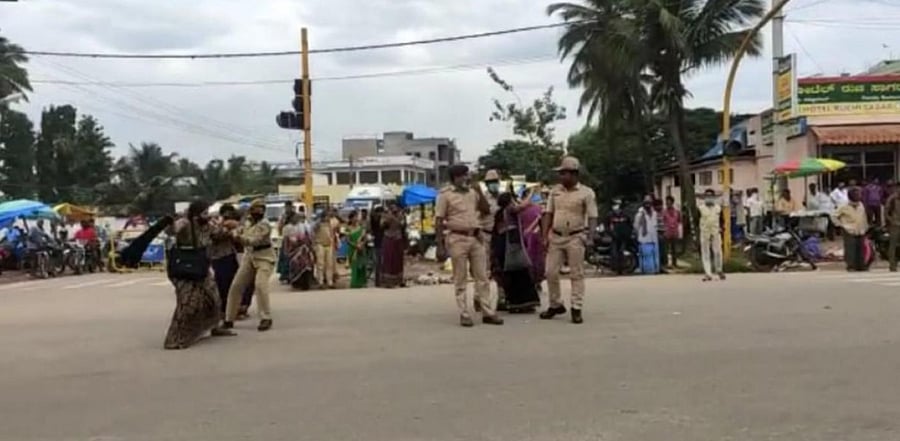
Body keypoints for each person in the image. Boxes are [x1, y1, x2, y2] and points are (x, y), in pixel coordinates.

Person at [436, 164, 503, 327]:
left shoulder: (473, 193)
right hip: (457, 238)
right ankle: (464, 312)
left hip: (475, 237)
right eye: (464, 175)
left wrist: (479, 190)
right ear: (455, 177)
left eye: (468, 175)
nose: (467, 178)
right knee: (461, 278)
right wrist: (440, 245)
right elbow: (439, 220)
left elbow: (486, 210)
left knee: (482, 277)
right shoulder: (445, 195)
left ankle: (487, 311)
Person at [164, 200, 235, 350]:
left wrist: (231, 229)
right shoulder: (185, 223)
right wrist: (171, 223)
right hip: (184, 269)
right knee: (186, 303)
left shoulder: (208, 226)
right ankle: (174, 338)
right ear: (195, 214)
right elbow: (172, 230)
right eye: (204, 213)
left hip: (201, 268)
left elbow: (220, 234)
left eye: (207, 212)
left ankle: (215, 326)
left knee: (214, 298)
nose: (207, 215)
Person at [541, 156, 598, 324]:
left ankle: (576, 307)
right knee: (550, 272)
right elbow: (548, 214)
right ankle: (555, 304)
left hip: (576, 236)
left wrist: (591, 237)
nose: (561, 177)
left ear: (574, 174)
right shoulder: (555, 191)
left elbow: (593, 216)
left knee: (576, 274)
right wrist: (544, 235)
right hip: (556, 236)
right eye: (560, 173)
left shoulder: (586, 193)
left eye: (564, 173)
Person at [223, 199, 275, 332]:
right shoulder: (247, 222)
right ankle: (229, 319)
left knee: (260, 285)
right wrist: (234, 233)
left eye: (262, 209)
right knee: (236, 286)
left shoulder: (265, 224)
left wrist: (238, 238)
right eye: (257, 209)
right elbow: (239, 230)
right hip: (249, 257)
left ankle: (266, 317)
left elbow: (254, 240)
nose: (260, 211)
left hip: (264, 257)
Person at [490, 192, 542, 313]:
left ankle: (514, 303)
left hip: (504, 249)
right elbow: (523, 206)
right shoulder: (509, 210)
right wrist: (532, 193)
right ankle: (523, 303)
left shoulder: (499, 213)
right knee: (521, 275)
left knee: (511, 277)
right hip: (512, 249)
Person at [209, 204, 242, 316]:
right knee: (222, 284)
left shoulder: (236, 222)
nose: (229, 216)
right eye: (227, 213)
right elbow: (215, 236)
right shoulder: (214, 222)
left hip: (230, 254)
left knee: (234, 283)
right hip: (218, 256)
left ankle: (233, 308)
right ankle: (223, 310)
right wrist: (227, 229)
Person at [481, 169, 505, 311]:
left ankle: (501, 298)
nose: (493, 185)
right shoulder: (482, 199)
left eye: (495, 182)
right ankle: (481, 298)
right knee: (484, 270)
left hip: (500, 237)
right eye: (490, 183)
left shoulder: (504, 198)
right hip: (485, 235)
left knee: (501, 268)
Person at [835, 187, 869, 271]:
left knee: (860, 248)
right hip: (849, 229)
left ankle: (860, 265)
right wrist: (840, 225)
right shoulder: (844, 206)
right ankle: (850, 266)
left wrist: (865, 227)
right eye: (856, 194)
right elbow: (834, 215)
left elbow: (863, 216)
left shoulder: (861, 205)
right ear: (851, 196)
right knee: (850, 248)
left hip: (860, 229)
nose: (859, 196)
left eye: (859, 194)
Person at [698, 189, 725, 282]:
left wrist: (722, 228)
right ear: (704, 198)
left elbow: (722, 220)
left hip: (716, 232)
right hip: (704, 232)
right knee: (706, 253)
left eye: (710, 196)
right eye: (707, 196)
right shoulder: (700, 208)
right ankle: (708, 273)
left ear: (714, 197)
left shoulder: (718, 208)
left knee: (718, 252)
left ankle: (719, 270)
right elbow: (696, 219)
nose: (709, 198)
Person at [379, 204, 406, 288]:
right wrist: (388, 220)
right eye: (393, 209)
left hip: (398, 239)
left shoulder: (401, 216)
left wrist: (400, 220)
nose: (395, 210)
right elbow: (382, 226)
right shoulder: (386, 216)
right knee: (389, 260)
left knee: (398, 261)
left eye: (396, 209)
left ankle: (399, 280)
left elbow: (403, 226)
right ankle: (388, 282)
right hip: (388, 239)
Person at [634, 196, 660, 275]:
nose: (648, 205)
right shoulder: (640, 214)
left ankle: (655, 269)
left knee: (654, 255)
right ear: (644, 204)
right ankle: (646, 270)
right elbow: (636, 226)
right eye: (646, 203)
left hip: (653, 238)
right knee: (646, 255)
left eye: (649, 203)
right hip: (644, 239)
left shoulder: (655, 213)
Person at [313, 209, 338, 289]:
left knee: (329, 264)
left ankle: (329, 282)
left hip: (329, 245)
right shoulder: (318, 223)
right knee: (320, 264)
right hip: (320, 244)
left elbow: (332, 233)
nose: (328, 217)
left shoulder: (330, 223)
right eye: (327, 216)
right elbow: (313, 232)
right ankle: (320, 281)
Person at [605, 199, 631, 274]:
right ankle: (615, 269)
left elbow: (629, 225)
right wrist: (610, 233)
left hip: (623, 237)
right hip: (614, 237)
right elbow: (606, 226)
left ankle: (622, 269)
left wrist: (627, 234)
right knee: (614, 253)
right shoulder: (609, 215)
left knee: (621, 252)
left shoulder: (626, 215)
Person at [346, 211, 368, 289]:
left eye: (357, 217)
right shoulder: (348, 228)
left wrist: (362, 244)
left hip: (361, 248)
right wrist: (356, 246)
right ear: (351, 219)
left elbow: (365, 238)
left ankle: (363, 282)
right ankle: (355, 283)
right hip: (353, 249)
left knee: (362, 265)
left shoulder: (361, 227)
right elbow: (347, 240)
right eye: (354, 217)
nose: (356, 219)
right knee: (355, 266)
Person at [661, 196, 682, 268]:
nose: (668, 204)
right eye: (667, 203)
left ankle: (674, 263)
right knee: (666, 250)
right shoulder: (664, 212)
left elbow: (679, 221)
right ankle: (666, 263)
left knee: (674, 249)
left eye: (669, 203)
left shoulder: (677, 212)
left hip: (674, 232)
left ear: (672, 203)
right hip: (667, 233)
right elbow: (662, 221)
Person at [370, 206, 386, 287]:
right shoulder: (379, 220)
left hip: (377, 242)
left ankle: (378, 282)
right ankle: (380, 281)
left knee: (378, 263)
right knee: (380, 263)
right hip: (380, 242)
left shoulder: (373, 219)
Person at [885, 183, 900, 271]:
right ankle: (892, 265)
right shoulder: (892, 199)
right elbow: (886, 213)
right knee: (893, 245)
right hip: (895, 225)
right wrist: (892, 221)